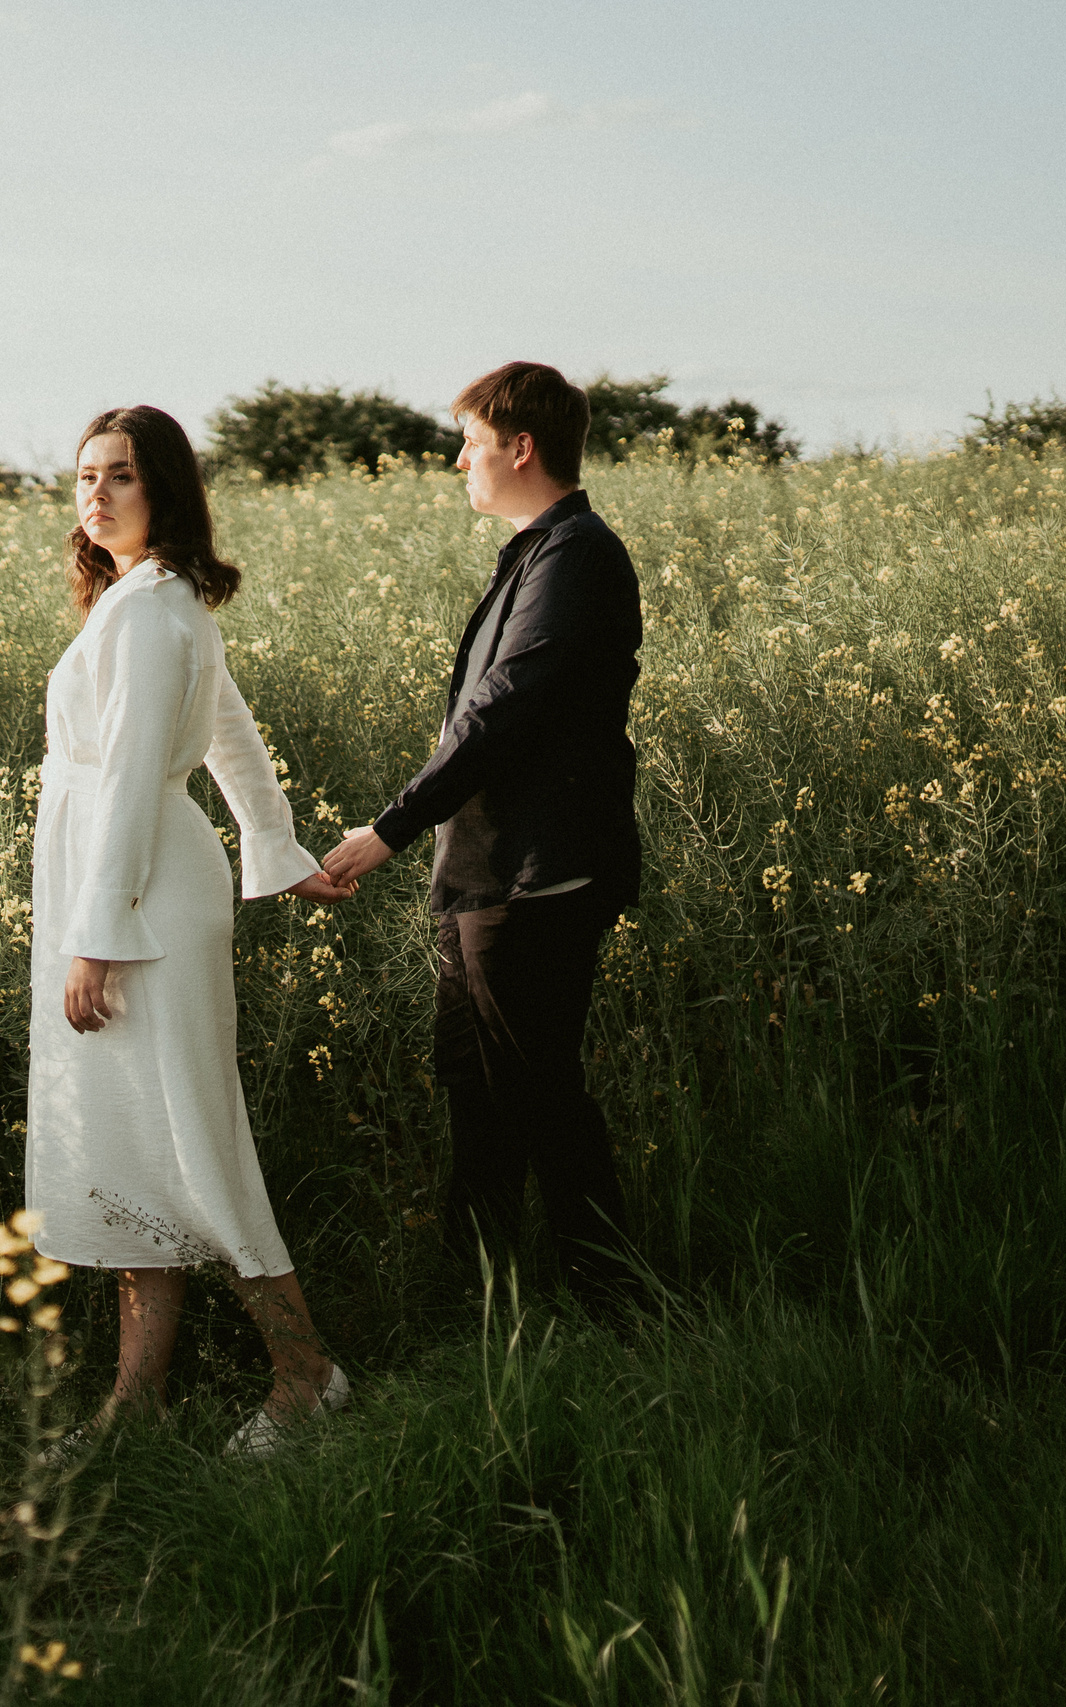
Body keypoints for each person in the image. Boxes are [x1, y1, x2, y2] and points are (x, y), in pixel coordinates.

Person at [26, 404, 356, 1456]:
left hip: (138, 898)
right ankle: (134, 1407)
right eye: (84, 477)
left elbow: (130, 777)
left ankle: (307, 1374)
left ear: (163, 488)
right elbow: (231, 728)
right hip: (125, 887)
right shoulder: (147, 604)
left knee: (191, 1139)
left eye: (119, 475)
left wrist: (99, 932)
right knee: (131, 1147)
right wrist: (275, 846)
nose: (96, 494)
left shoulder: (154, 612)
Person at [320, 362, 643, 1306]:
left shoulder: (577, 553)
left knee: (539, 1091)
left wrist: (391, 827)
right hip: (487, 871)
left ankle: (619, 1301)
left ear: (521, 446)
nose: (460, 457)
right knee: (477, 1087)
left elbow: (502, 708)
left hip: (541, 873)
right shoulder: (535, 552)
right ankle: (475, 1300)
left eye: (471, 439)